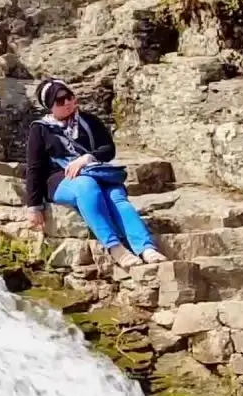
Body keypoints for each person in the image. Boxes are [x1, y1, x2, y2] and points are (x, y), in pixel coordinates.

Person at [24, 79, 164, 269]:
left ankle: (145, 248)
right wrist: (34, 206)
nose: (67, 103)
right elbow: (34, 167)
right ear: (50, 107)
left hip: (94, 172)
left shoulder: (88, 121)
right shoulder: (40, 129)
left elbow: (108, 149)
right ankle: (115, 248)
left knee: (116, 196)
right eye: (60, 101)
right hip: (60, 180)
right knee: (86, 186)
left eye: (69, 97)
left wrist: (86, 158)